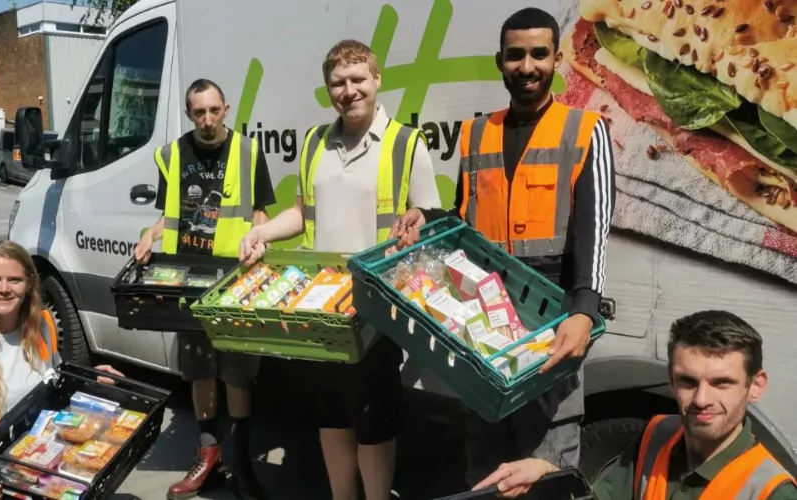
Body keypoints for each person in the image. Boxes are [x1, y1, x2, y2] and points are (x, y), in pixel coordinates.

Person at [388, 7, 616, 486]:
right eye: (515, 56)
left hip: (551, 324)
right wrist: (426, 217)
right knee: (485, 464)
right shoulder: (474, 133)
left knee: (545, 466)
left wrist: (585, 310)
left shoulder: (584, 129)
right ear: (500, 61)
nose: (526, 66)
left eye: (538, 54)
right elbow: (464, 220)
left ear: (556, 59)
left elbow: (594, 231)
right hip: (485, 328)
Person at [238, 39, 442, 500]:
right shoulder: (315, 141)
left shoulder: (407, 143)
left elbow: (431, 219)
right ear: (328, 89)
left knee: (373, 419)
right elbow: (300, 213)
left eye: (357, 80)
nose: (348, 91)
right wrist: (263, 233)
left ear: (377, 80)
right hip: (324, 306)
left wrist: (419, 224)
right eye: (338, 83)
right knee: (329, 415)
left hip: (377, 307)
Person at [472, 310, 797, 499]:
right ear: (671, 380)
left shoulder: (772, 491)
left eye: (721, 383)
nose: (701, 400)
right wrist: (548, 473)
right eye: (688, 381)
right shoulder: (658, 436)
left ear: (755, 386)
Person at [133, 78, 276, 500]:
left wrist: (263, 241)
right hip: (186, 279)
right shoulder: (173, 155)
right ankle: (209, 458)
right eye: (200, 112)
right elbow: (167, 217)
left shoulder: (249, 152)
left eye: (215, 111)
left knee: (237, 375)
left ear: (226, 108)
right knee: (199, 371)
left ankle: (243, 465)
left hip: (233, 280)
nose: (208, 120)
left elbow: (260, 213)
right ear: (189, 112)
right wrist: (148, 236)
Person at [0, 240, 124, 500]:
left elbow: (54, 386)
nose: (4, 289)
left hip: (38, 473)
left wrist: (90, 379)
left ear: (28, 284)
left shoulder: (42, 327)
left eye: (14, 280)